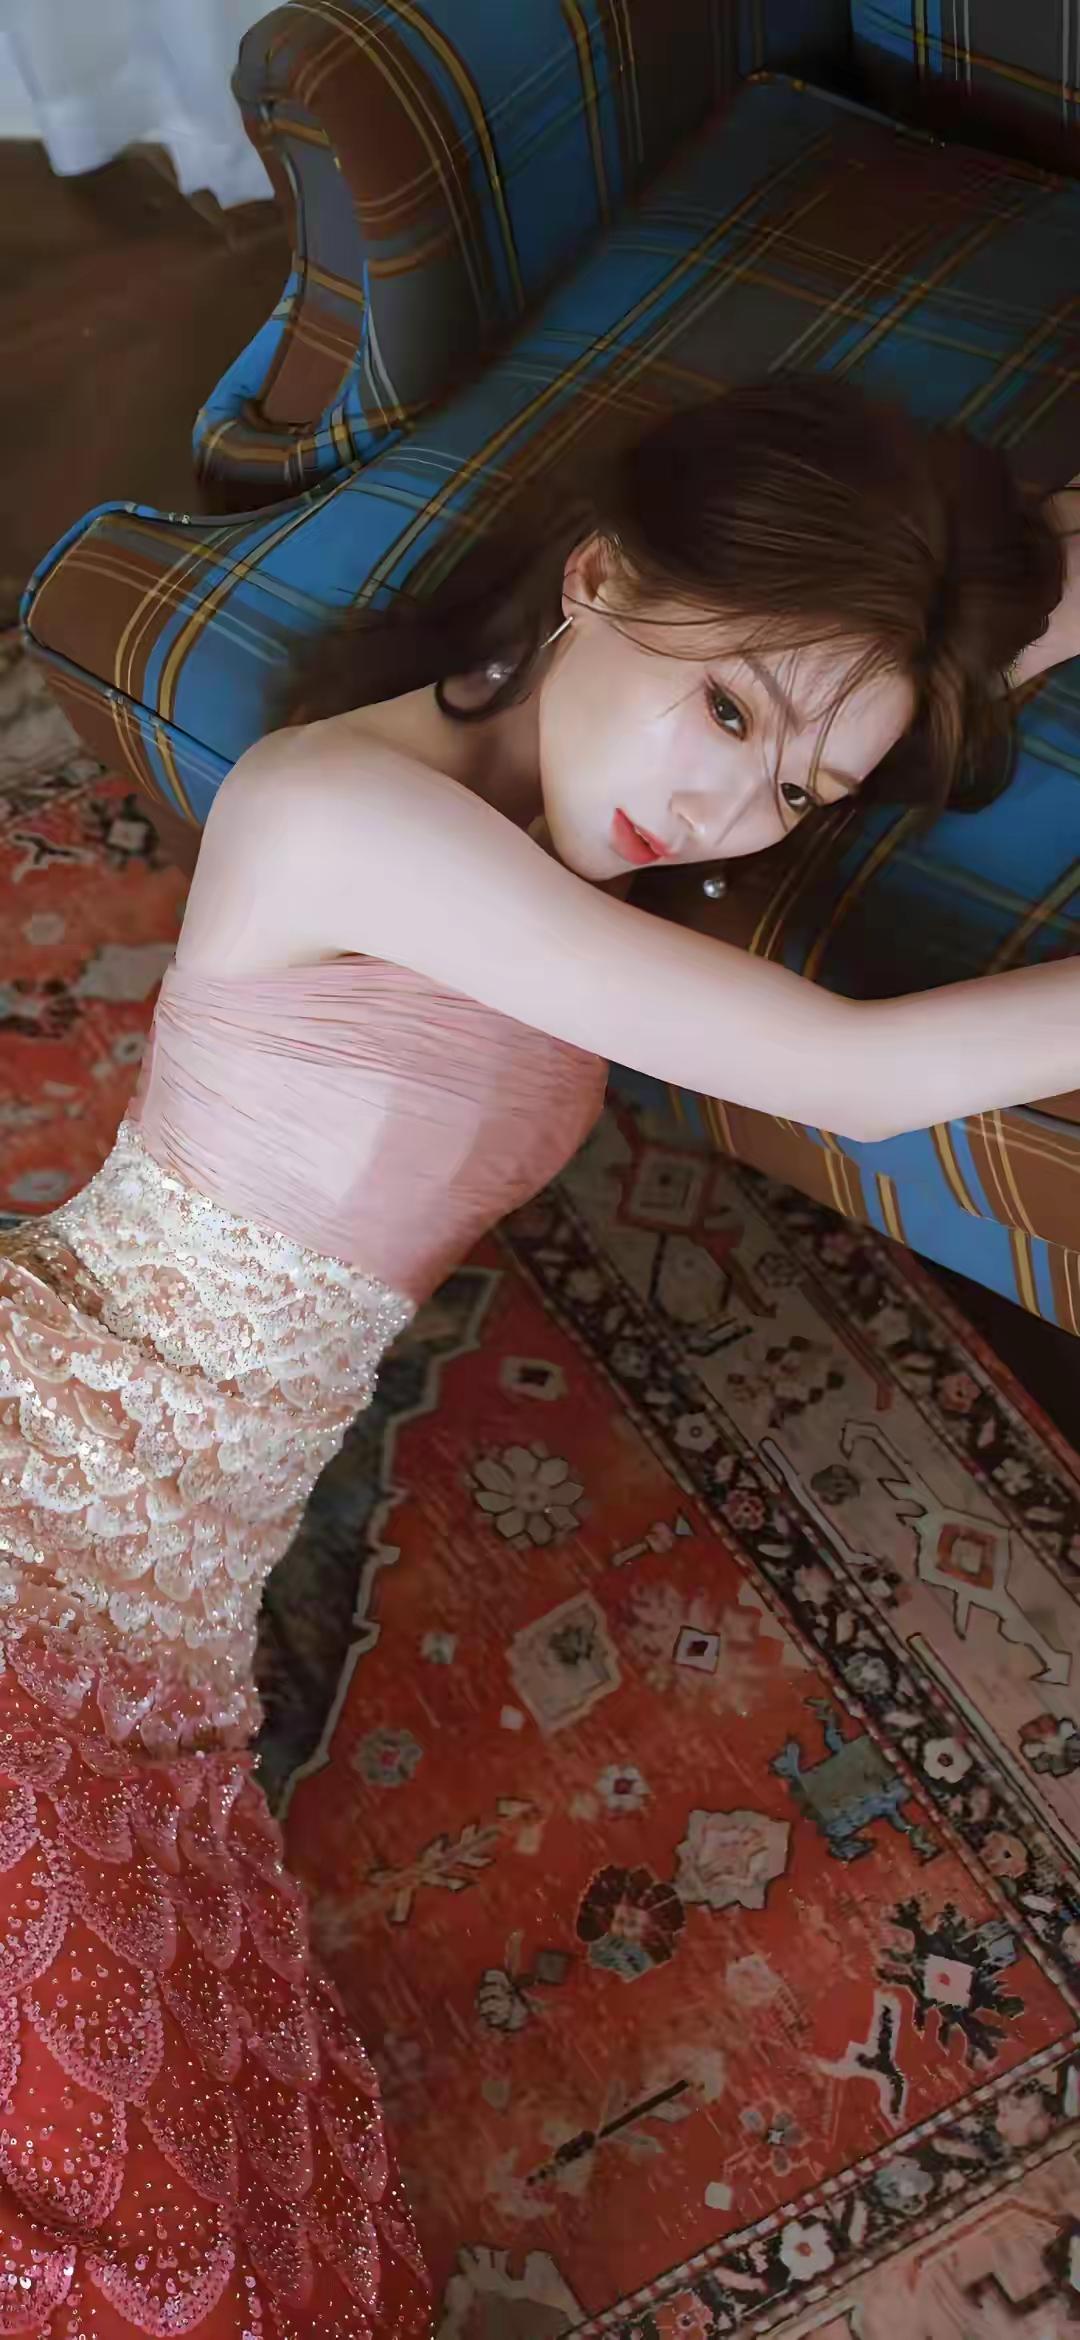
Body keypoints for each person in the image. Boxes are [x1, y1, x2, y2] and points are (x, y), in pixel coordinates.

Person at [0, 375, 1078, 2337]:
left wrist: (985, 613)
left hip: (172, 1613)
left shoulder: (571, 825)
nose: (731, 816)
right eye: (725, 714)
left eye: (800, 793)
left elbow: (862, 677)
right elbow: (849, 1074)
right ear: (596, 576)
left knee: (207, 2222)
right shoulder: (335, 814)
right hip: (41, 1493)